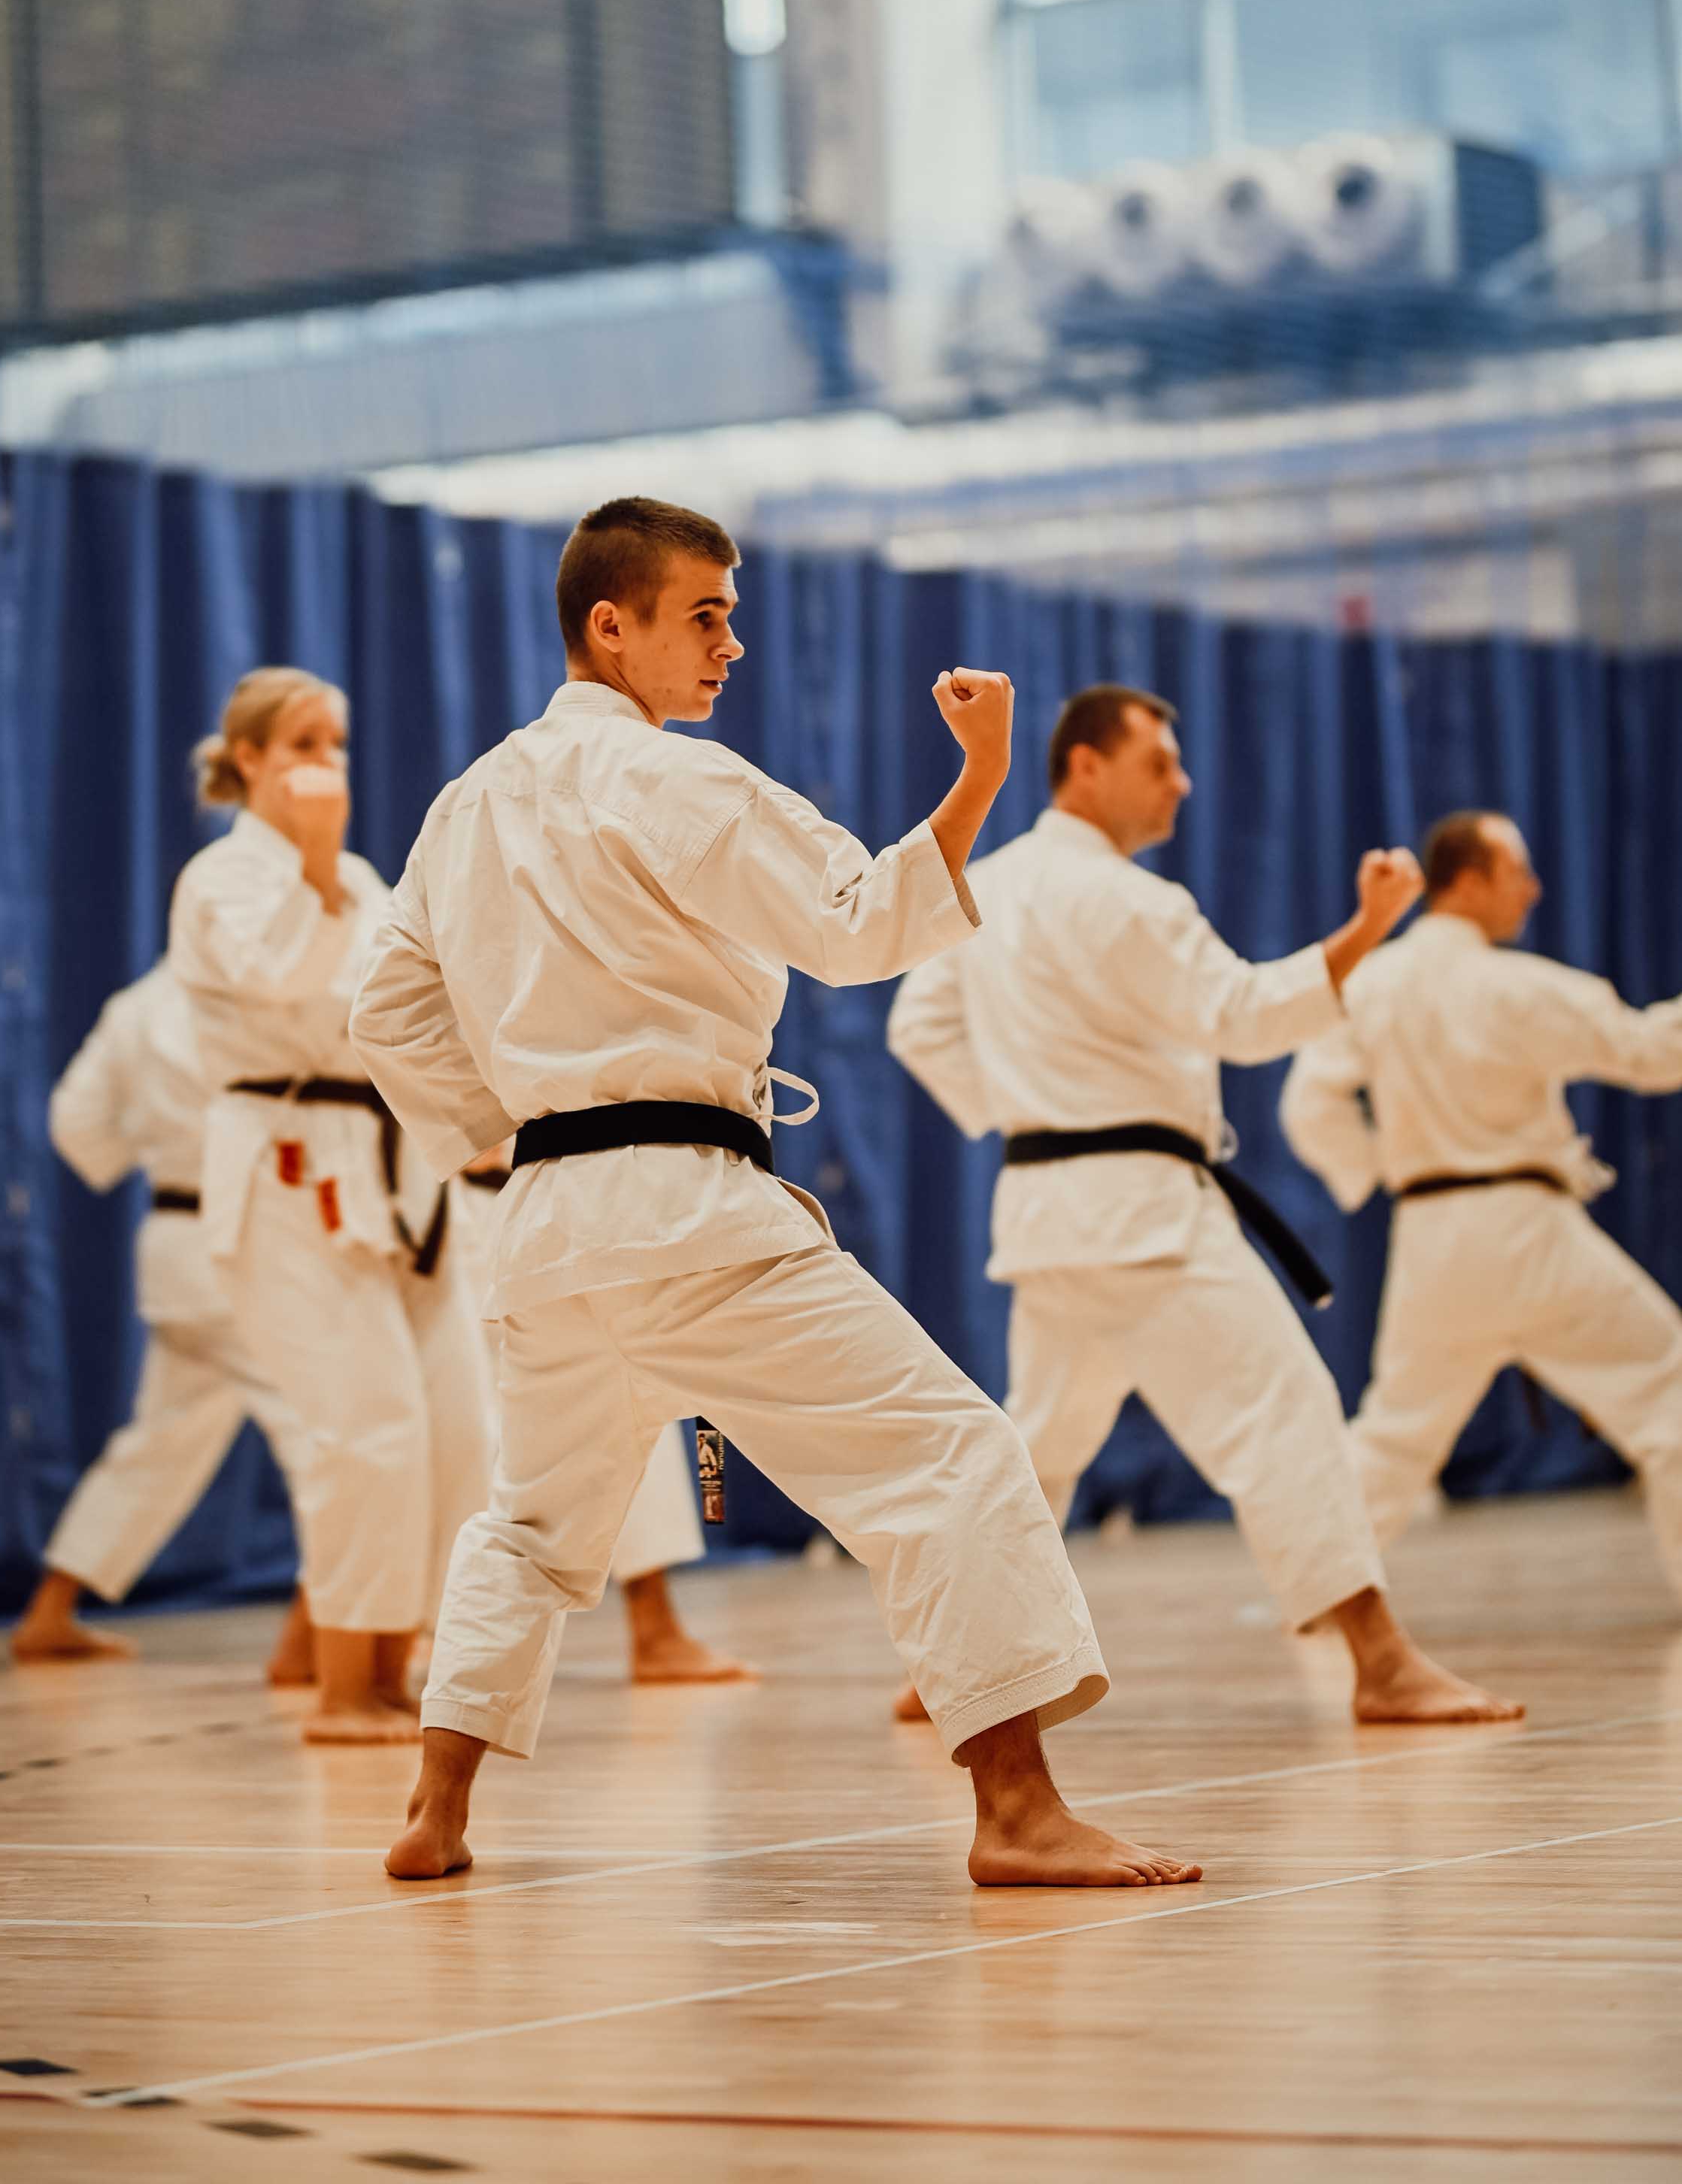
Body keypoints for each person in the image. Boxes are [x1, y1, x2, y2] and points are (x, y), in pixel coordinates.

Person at [353, 498, 1201, 1892]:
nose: (730, 645)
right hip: (688, 1210)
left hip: (548, 1220)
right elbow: (864, 924)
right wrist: (979, 775)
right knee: (953, 1456)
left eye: (732, 615)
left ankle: (436, 1810)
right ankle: (1018, 1812)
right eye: (705, 616)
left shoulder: (466, 806)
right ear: (608, 627)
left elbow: (385, 1011)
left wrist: (489, 1131)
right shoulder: (675, 781)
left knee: (533, 1521)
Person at [886, 683, 1521, 1728]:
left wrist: (1032, 1107)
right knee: (1285, 1414)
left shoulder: (986, 887)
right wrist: (1364, 930)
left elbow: (918, 1025)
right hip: (1143, 1214)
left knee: (1037, 1450)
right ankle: (1381, 1663)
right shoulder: (1135, 902)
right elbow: (1241, 1016)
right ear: (1085, 768)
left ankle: (951, 1662)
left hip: (1046, 1212)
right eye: (1159, 763)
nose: (1181, 782)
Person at [169, 668, 494, 1744]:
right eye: (304, 741)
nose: (327, 762)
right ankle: (342, 1688)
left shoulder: (356, 875)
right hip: (281, 1164)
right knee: (368, 1431)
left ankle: (396, 1672)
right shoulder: (221, 880)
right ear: (248, 758)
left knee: (453, 1431)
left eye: (339, 741)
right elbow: (282, 985)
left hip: (390, 1168)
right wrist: (313, 861)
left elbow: (400, 1008)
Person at [1280, 809, 1682, 1596]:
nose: (1532, 889)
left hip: (1432, 1233)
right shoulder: (1519, 986)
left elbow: (1308, 1105)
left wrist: (1376, 1173)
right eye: (1518, 871)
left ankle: (1320, 1597)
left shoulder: (1370, 981)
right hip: (1530, 1230)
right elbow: (1646, 1049)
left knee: (1395, 1439)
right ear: (1469, 879)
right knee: (1668, 1391)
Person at [10, 957, 311, 1675]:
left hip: (174, 1240)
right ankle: (322, 1643)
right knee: (333, 1434)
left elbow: (74, 1119)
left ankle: (50, 1611)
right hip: (252, 1240)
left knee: (160, 1442)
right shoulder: (269, 989)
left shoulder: (135, 1004)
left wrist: (144, 1154)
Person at [452, 1164, 756, 1686]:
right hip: (466, 1209)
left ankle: (654, 1627)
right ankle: (352, 1643)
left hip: (576, 1200)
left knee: (631, 1397)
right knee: (445, 1426)